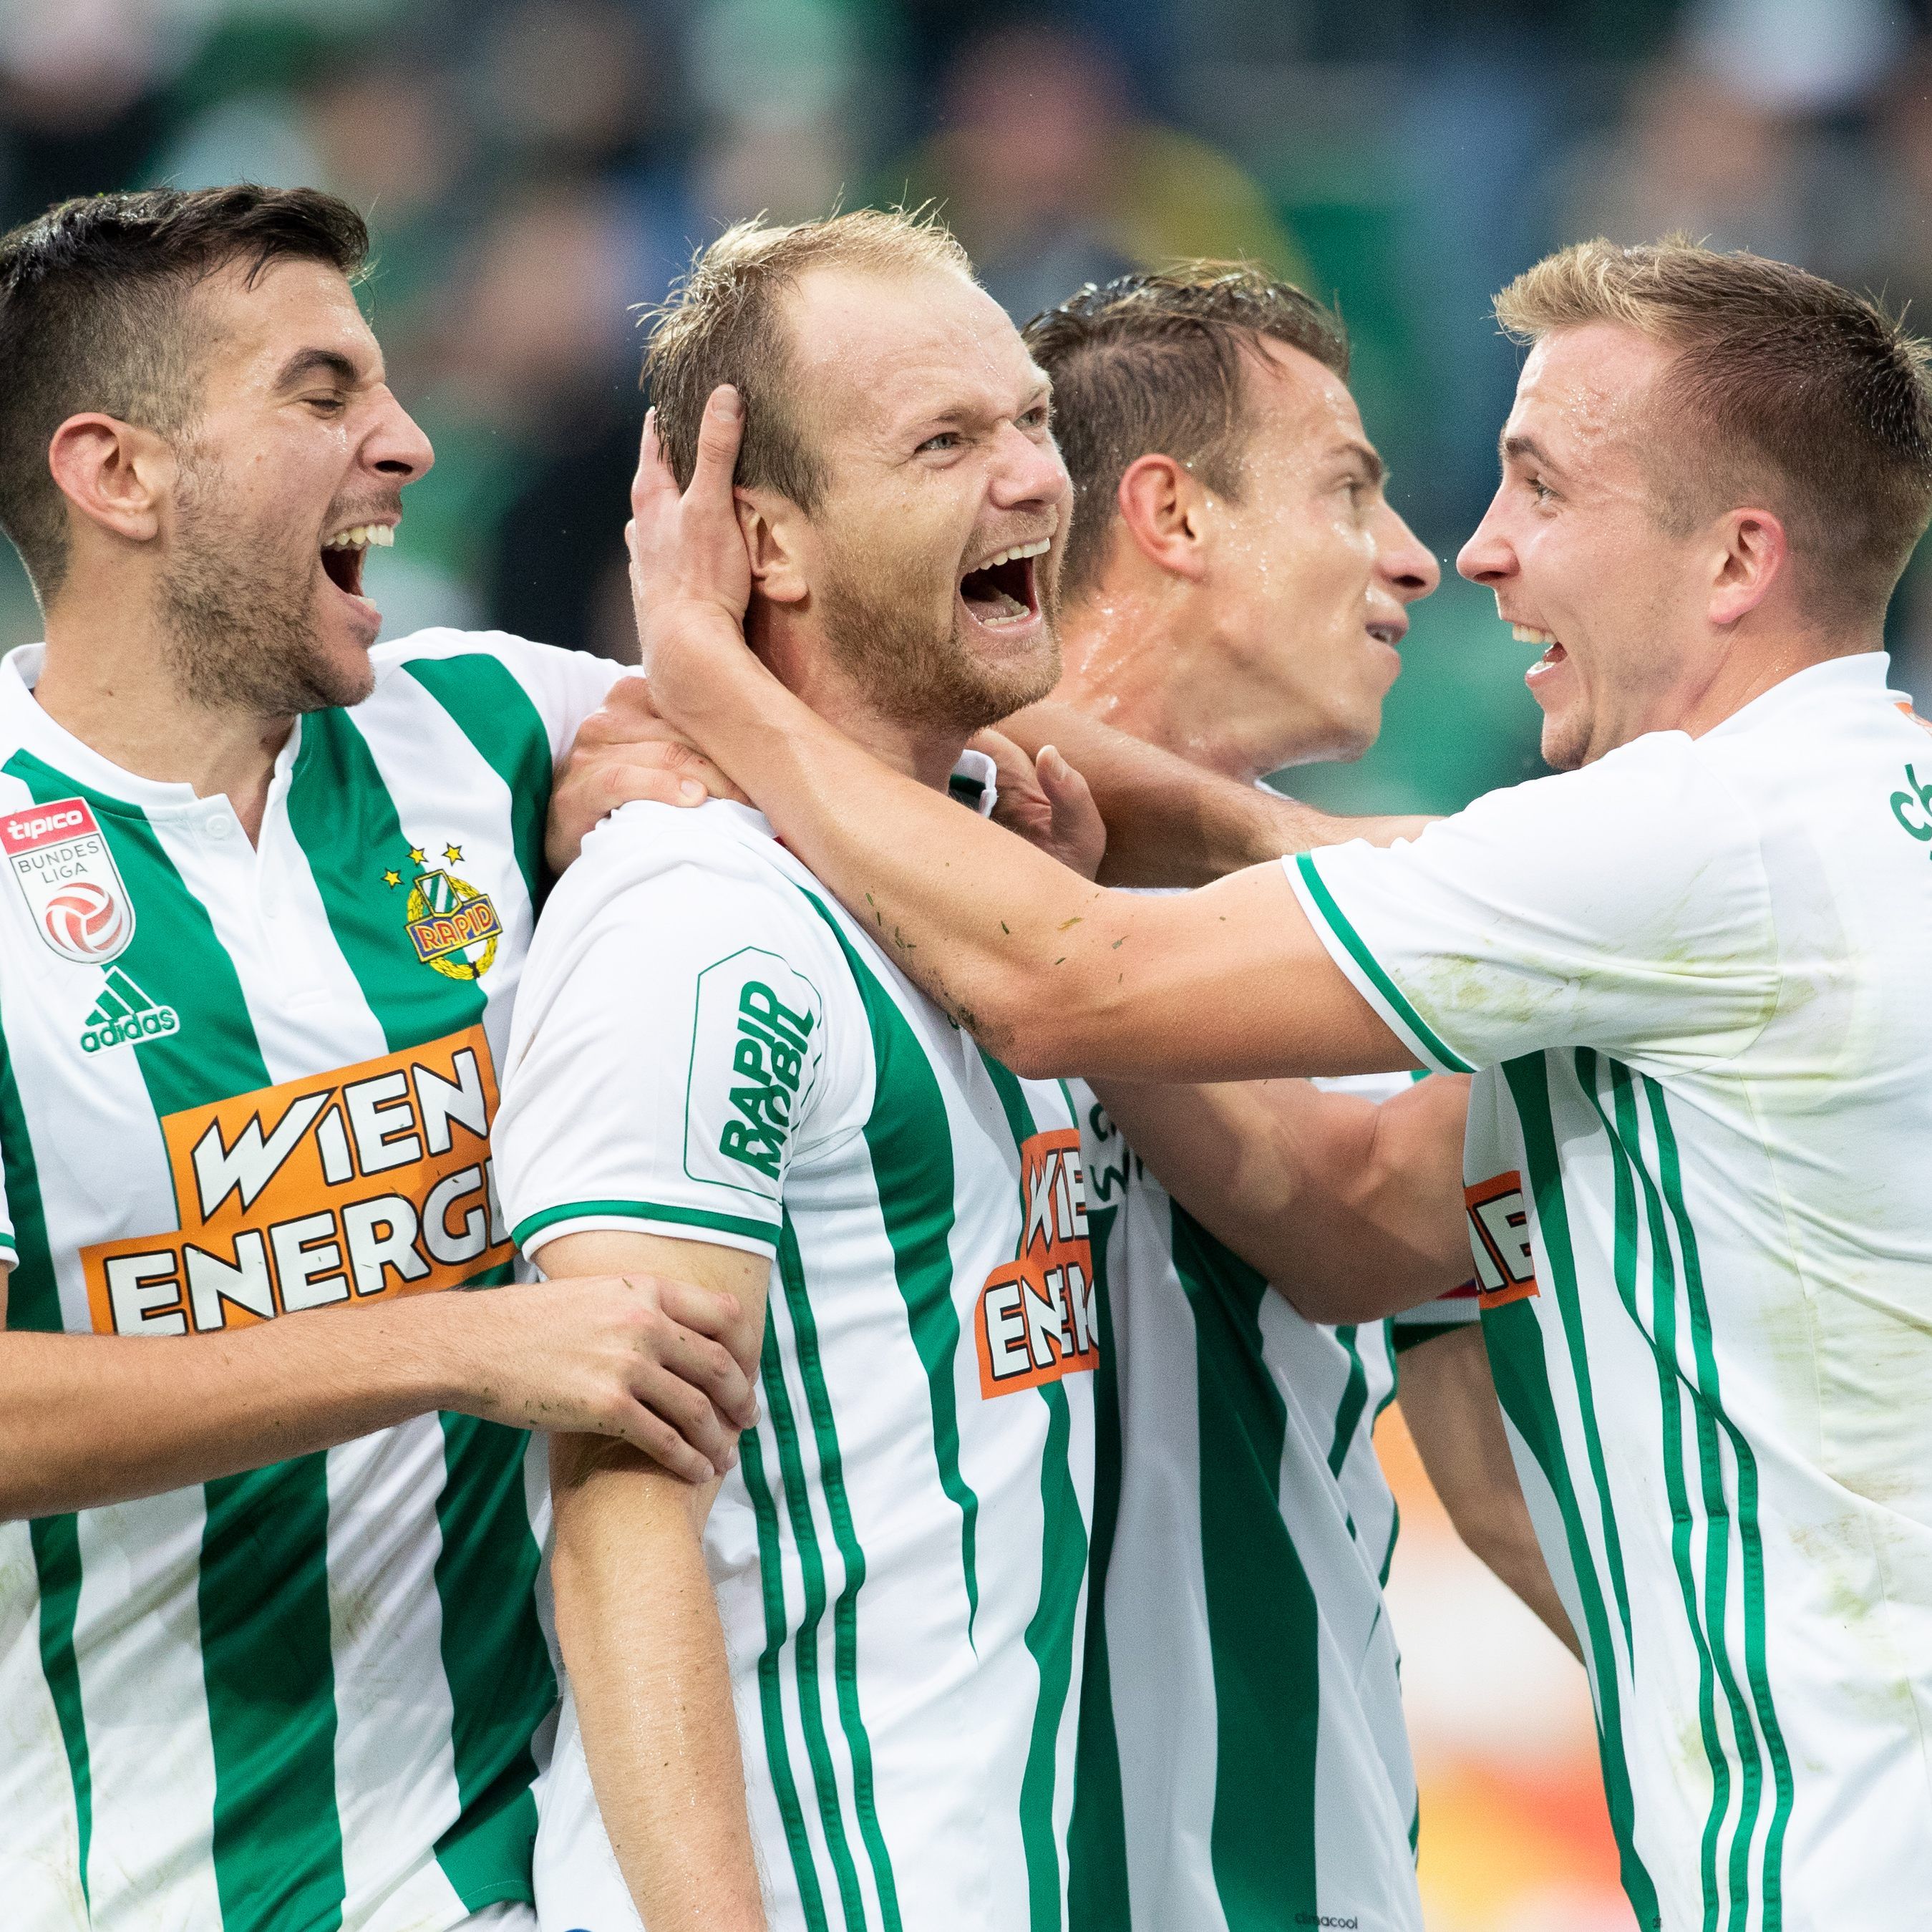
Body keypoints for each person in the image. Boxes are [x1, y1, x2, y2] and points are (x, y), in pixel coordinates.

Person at [626, 238, 1932, 1929]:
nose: (1463, 553)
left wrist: (705, 677)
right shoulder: (1824, 825)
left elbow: (1062, 983)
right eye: (1362, 489)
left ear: (1739, 557)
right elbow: (1368, 1221)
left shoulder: (1681, 853)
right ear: (1168, 517)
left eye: (1534, 484)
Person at [0, 185, 757, 1932]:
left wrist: (1034, 787)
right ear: (119, 474)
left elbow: (843, 748)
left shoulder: (489, 723)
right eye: (322, 393)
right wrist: (451, 1341)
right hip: (130, 1887)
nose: (406, 442)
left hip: (529, 1873)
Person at [492, 209, 1097, 1932]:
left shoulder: (998, 875)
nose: (1035, 480)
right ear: (767, 540)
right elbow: (618, 1507)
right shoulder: (701, 921)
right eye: (947, 440)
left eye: (1033, 418)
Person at [1002, 266, 1568, 1932]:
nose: (1415, 556)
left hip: (1291, 1874)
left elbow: (1491, 1475)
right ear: (1171, 513)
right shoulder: (823, 869)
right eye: (1350, 487)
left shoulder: (1386, 953)